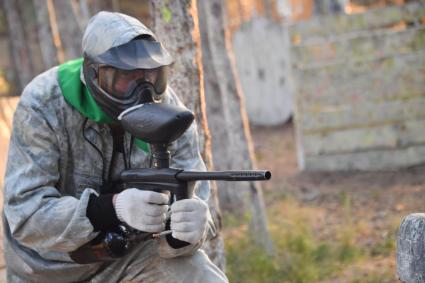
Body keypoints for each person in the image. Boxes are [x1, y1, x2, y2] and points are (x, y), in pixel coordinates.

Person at [3, 11, 228, 283]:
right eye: (126, 77)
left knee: (198, 275)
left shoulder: (170, 115)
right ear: (93, 74)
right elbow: (24, 215)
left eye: (151, 75)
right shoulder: (44, 104)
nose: (141, 90)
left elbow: (195, 194)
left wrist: (186, 232)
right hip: (47, 269)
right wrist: (111, 208)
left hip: (134, 256)